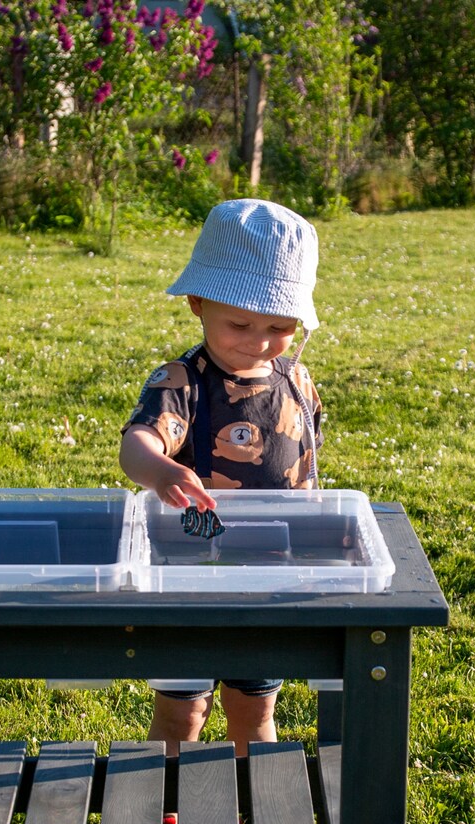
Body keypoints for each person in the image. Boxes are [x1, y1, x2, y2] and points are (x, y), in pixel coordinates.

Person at [119, 198, 324, 758]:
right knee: (182, 710)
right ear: (197, 303)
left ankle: (249, 808)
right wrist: (162, 469)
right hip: (185, 576)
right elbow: (137, 444)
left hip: (269, 578)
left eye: (279, 326)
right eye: (239, 322)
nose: (258, 340)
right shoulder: (180, 381)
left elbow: (305, 467)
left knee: (254, 708)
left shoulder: (297, 381)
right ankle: (167, 817)